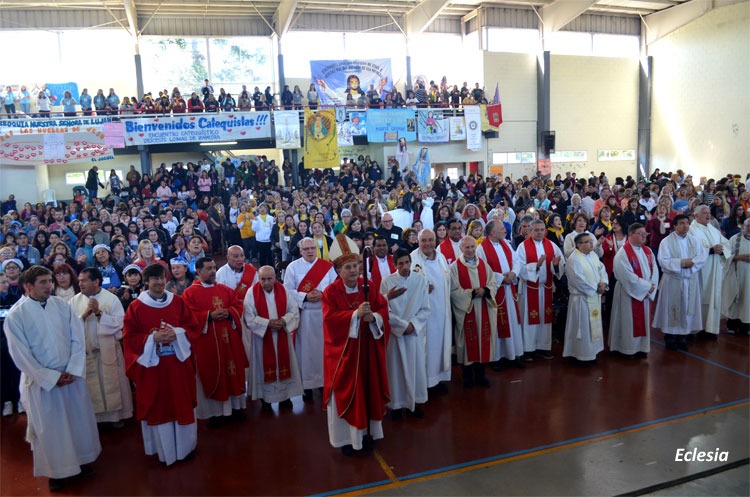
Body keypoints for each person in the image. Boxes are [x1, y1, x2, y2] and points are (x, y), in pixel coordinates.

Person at [4, 266, 101, 491]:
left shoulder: (61, 306)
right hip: (44, 382)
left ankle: (82, 461)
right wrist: (50, 377)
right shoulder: (16, 315)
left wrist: (73, 368)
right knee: (52, 428)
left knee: (78, 422)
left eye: (50, 281)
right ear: (28, 286)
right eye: (43, 282)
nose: (50, 286)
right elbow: (20, 354)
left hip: (71, 375)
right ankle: (58, 472)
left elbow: (77, 337)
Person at [122, 263, 200, 466]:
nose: (158, 282)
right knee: (159, 405)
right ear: (146, 282)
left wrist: (178, 333)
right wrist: (152, 339)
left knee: (181, 402)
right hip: (153, 368)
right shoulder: (136, 307)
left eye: (161, 278)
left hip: (177, 364)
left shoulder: (178, 302)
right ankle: (163, 450)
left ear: (166, 280)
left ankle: (186, 448)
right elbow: (129, 339)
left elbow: (192, 327)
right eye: (154, 279)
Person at [321, 246, 390, 456]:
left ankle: (368, 434)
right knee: (347, 392)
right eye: (348, 267)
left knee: (369, 389)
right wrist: (354, 315)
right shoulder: (330, 292)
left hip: (367, 349)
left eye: (356, 266)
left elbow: (382, 309)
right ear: (339, 270)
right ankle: (347, 439)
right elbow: (329, 320)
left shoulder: (367, 286)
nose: (353, 271)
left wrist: (374, 318)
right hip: (344, 354)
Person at [181, 257, 248, 426]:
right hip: (208, 342)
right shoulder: (190, 293)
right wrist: (209, 316)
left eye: (214, 267)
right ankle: (216, 413)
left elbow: (237, 305)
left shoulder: (225, 290)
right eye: (208, 268)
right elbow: (187, 317)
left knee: (232, 371)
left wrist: (230, 312)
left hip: (229, 340)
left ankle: (234, 408)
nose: (212, 271)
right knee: (213, 373)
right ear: (198, 271)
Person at [69, 267, 133, 425]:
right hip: (87, 353)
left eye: (84, 280)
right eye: (79, 281)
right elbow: (68, 327)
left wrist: (99, 314)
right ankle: (95, 420)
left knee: (113, 384)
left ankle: (116, 417)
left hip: (108, 350)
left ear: (96, 281)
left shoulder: (111, 299)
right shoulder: (74, 301)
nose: (80, 284)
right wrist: (84, 315)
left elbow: (120, 324)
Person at [282, 237, 337, 403]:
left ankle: (323, 382)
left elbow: (335, 286)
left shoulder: (327, 266)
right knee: (305, 351)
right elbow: (286, 290)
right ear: (300, 251)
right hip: (304, 315)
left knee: (323, 350)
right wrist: (305, 296)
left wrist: (323, 294)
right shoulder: (293, 267)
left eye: (312, 248)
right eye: (306, 249)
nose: (310, 251)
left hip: (324, 314)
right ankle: (306, 385)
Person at [243, 266, 302, 411]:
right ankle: (265, 400)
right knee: (263, 368)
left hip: (282, 334)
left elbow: (293, 310)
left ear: (275, 278)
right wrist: (267, 323)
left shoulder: (284, 290)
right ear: (259, 278)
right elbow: (249, 317)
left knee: (285, 364)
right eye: (263, 279)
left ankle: (286, 397)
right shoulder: (251, 293)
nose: (266, 282)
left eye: (270, 278)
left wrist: (282, 321)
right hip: (262, 340)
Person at [380, 249, 430, 419]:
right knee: (396, 370)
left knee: (415, 367)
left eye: (407, 262)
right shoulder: (387, 282)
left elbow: (425, 308)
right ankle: (397, 405)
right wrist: (402, 326)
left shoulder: (420, 280)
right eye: (400, 263)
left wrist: (413, 325)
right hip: (396, 334)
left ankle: (414, 403)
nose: (404, 266)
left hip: (413, 333)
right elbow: (383, 309)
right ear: (394, 265)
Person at [652, 214, 708, 351]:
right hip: (673, 281)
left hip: (689, 281)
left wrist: (692, 263)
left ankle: (682, 337)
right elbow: (663, 261)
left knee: (686, 308)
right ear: (675, 226)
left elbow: (702, 256)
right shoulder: (666, 242)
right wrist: (682, 263)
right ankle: (670, 337)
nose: (685, 226)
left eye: (687, 223)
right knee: (672, 309)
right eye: (682, 223)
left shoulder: (694, 241)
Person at [450, 236, 498, 388]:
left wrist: (485, 290)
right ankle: (467, 376)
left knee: (482, 342)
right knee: (467, 343)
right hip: (466, 310)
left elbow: (493, 283)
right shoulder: (455, 267)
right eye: (467, 248)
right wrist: (471, 294)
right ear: (461, 249)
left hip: (483, 307)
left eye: (472, 247)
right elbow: (453, 291)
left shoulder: (483, 264)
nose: (470, 250)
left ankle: (481, 375)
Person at [476, 221, 524, 369]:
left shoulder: (506, 244)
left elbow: (517, 260)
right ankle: (496, 357)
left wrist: (513, 273)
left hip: (509, 291)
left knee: (512, 322)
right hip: (496, 291)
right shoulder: (481, 249)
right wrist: (501, 278)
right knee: (496, 324)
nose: (505, 230)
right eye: (502, 228)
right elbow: (483, 269)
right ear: (492, 233)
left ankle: (513, 354)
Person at [410, 229, 452, 390]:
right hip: (424, 315)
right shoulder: (413, 259)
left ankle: (437, 378)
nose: (428, 244)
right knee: (426, 346)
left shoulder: (441, 257)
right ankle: (425, 383)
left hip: (442, 311)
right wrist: (421, 287)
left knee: (440, 344)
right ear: (418, 242)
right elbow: (405, 282)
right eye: (424, 240)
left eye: (430, 240)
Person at [609, 223, 659, 357]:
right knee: (628, 322)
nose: (644, 236)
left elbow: (655, 270)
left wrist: (651, 285)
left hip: (644, 294)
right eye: (640, 234)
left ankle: (641, 348)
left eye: (645, 234)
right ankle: (627, 349)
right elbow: (626, 276)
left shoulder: (647, 251)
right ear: (631, 234)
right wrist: (647, 287)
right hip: (628, 294)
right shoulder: (622, 253)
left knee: (642, 321)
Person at [517, 220, 565, 360]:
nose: (539, 232)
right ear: (530, 231)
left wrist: (555, 266)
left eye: (542, 230)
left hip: (546, 288)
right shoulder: (522, 247)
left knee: (545, 319)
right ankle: (528, 349)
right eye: (536, 230)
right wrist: (536, 266)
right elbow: (519, 268)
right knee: (529, 319)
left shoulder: (551, 245)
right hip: (529, 289)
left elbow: (560, 263)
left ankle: (543, 347)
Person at [562, 233, 608, 366]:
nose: (591, 244)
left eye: (591, 241)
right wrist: (596, 287)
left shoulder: (593, 255)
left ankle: (592, 353)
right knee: (582, 328)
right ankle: (580, 355)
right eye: (587, 242)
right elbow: (578, 280)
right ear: (579, 245)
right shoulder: (574, 259)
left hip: (594, 296)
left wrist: (603, 283)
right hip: (581, 299)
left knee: (592, 327)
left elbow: (602, 270)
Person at [689, 205, 730, 339]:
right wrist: (710, 250)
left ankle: (709, 328)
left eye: (709, 213)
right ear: (696, 216)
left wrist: (722, 249)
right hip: (700, 271)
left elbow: (725, 243)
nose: (708, 215)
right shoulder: (691, 230)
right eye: (704, 213)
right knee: (699, 298)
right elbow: (690, 249)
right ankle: (696, 329)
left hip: (714, 270)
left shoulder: (712, 229)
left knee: (713, 298)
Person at [722, 218, 750, 336]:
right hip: (735, 275)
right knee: (734, 299)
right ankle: (732, 325)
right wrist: (740, 257)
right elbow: (726, 256)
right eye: (748, 225)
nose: (749, 228)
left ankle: (745, 326)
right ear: (743, 226)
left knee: (747, 301)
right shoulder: (734, 239)